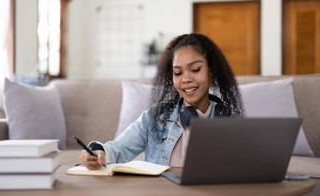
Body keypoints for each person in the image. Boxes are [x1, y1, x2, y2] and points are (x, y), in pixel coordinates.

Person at [80, 33, 244, 169]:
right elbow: (117, 149)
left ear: (212, 71)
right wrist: (97, 152)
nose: (185, 79)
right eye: (178, 73)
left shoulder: (231, 122)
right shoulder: (154, 118)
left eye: (195, 69)